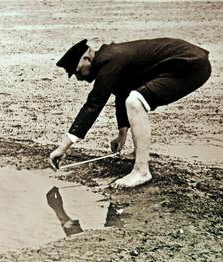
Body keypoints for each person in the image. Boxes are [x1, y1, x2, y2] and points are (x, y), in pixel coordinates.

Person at [49, 38, 211, 188]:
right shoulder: (110, 57)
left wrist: (62, 147)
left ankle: (141, 171)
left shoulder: (109, 61)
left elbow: (93, 104)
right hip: (191, 62)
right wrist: (122, 134)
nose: (79, 78)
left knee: (135, 102)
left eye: (77, 72)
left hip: (190, 65)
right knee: (132, 98)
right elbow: (122, 91)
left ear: (87, 58)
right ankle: (138, 154)